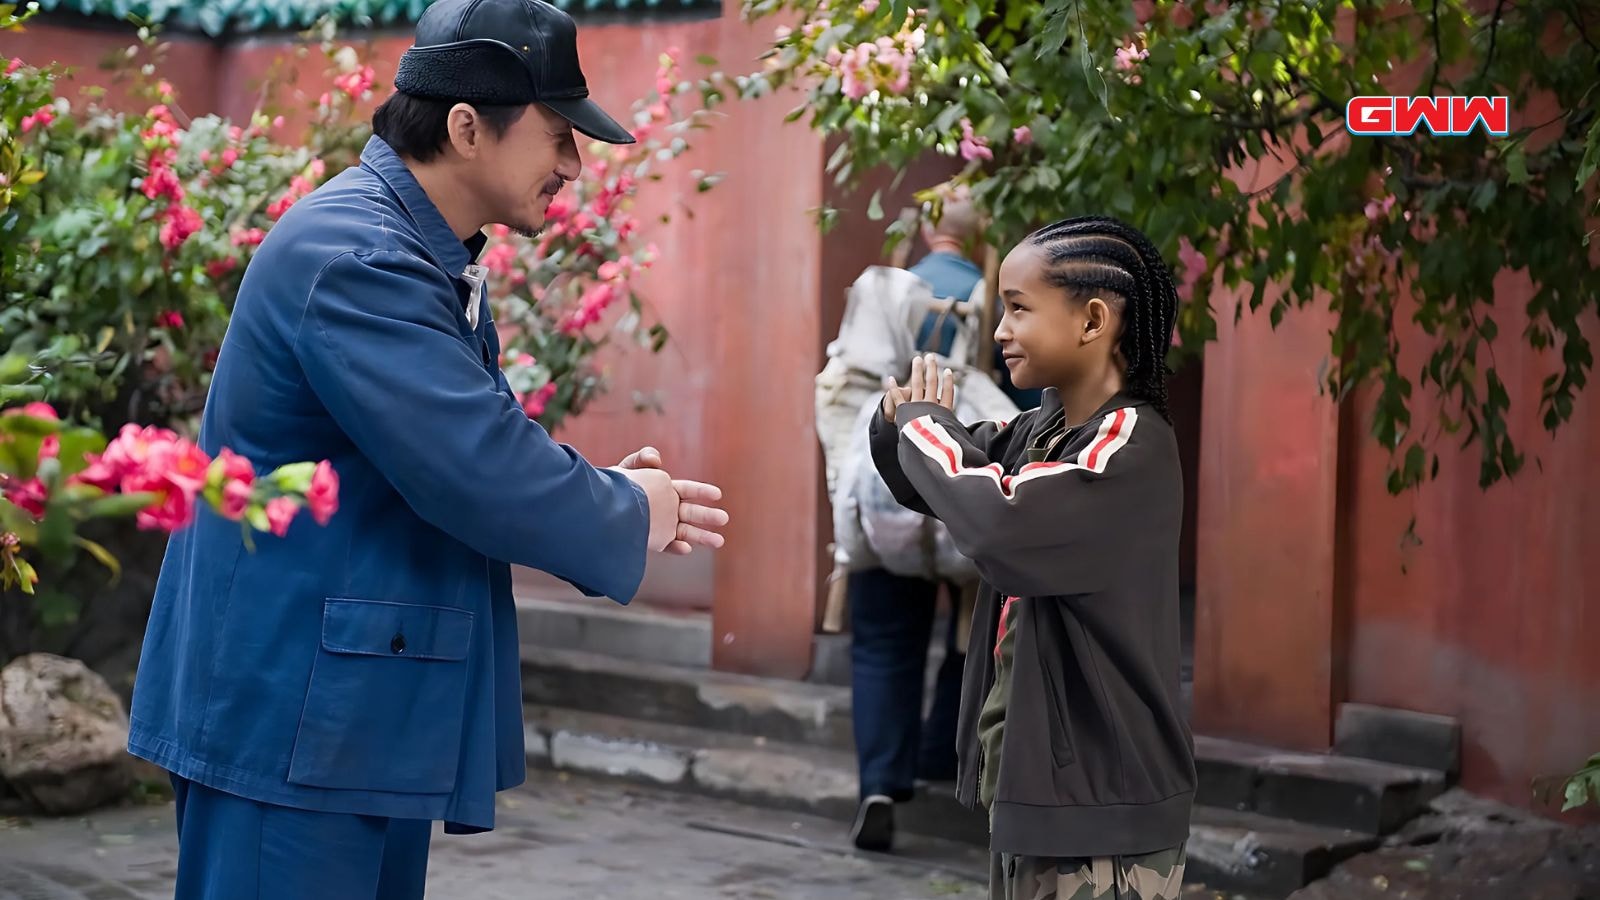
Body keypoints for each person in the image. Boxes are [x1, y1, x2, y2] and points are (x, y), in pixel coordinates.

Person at [125, 2, 728, 897]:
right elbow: (475, 467)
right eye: (559, 134)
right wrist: (629, 510)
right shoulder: (357, 255)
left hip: (345, 717)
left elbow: (447, 442)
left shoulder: (408, 247)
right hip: (285, 716)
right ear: (465, 128)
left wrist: (602, 490)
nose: (572, 164)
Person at [870, 216, 1195, 899]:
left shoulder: (1131, 446)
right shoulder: (1044, 429)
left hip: (1104, 817)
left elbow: (1000, 522)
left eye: (1019, 308)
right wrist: (898, 422)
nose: (1000, 330)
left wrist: (925, 427)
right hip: (1036, 804)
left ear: (1093, 319)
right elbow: (949, 473)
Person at [846, 187, 981, 852]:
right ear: (977, 231)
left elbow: (844, 381)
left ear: (929, 232)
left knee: (880, 637)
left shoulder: (885, 291)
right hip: (963, 482)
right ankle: (938, 752)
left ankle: (879, 778)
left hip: (886, 477)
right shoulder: (1004, 295)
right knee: (971, 624)